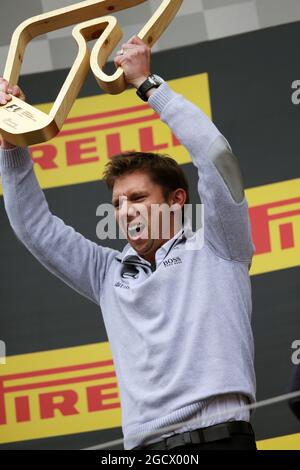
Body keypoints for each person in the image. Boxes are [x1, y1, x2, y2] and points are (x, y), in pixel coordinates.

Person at [0, 36, 256, 450]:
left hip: (218, 439)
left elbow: (216, 156)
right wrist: (11, 140)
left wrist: (149, 85)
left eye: (138, 198)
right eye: (117, 203)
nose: (125, 211)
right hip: (141, 451)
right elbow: (34, 227)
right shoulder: (107, 273)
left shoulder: (218, 244)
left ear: (176, 201)